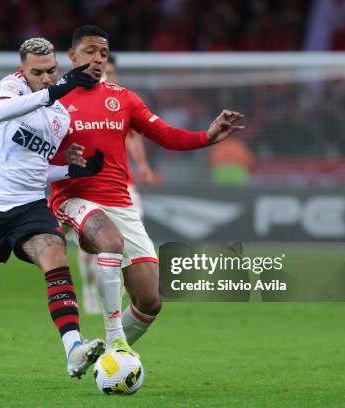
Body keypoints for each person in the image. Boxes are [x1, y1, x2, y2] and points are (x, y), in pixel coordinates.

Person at [49, 25, 245, 352]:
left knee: (151, 300)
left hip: (120, 204)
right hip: (73, 201)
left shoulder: (122, 99)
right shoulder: (53, 99)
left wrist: (207, 136)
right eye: (90, 51)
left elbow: (166, 135)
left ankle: (105, 358)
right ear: (72, 55)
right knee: (110, 241)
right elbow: (32, 150)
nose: (98, 58)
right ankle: (116, 339)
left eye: (103, 53)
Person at [0, 37, 106, 378]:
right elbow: (0, 112)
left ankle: (73, 348)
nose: (48, 77)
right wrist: (58, 89)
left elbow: (37, 165)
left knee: (55, 250)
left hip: (29, 207)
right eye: (38, 72)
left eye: (53, 71)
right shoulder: (11, 88)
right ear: (23, 71)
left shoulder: (60, 116)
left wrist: (73, 170)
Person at [77, 54, 160, 315]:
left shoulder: (121, 101)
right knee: (92, 243)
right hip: (90, 186)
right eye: (104, 71)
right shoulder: (82, 100)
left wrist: (143, 166)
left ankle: (115, 293)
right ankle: (90, 289)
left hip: (124, 185)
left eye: (111, 72)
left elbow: (134, 138)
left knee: (129, 238)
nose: (107, 75)